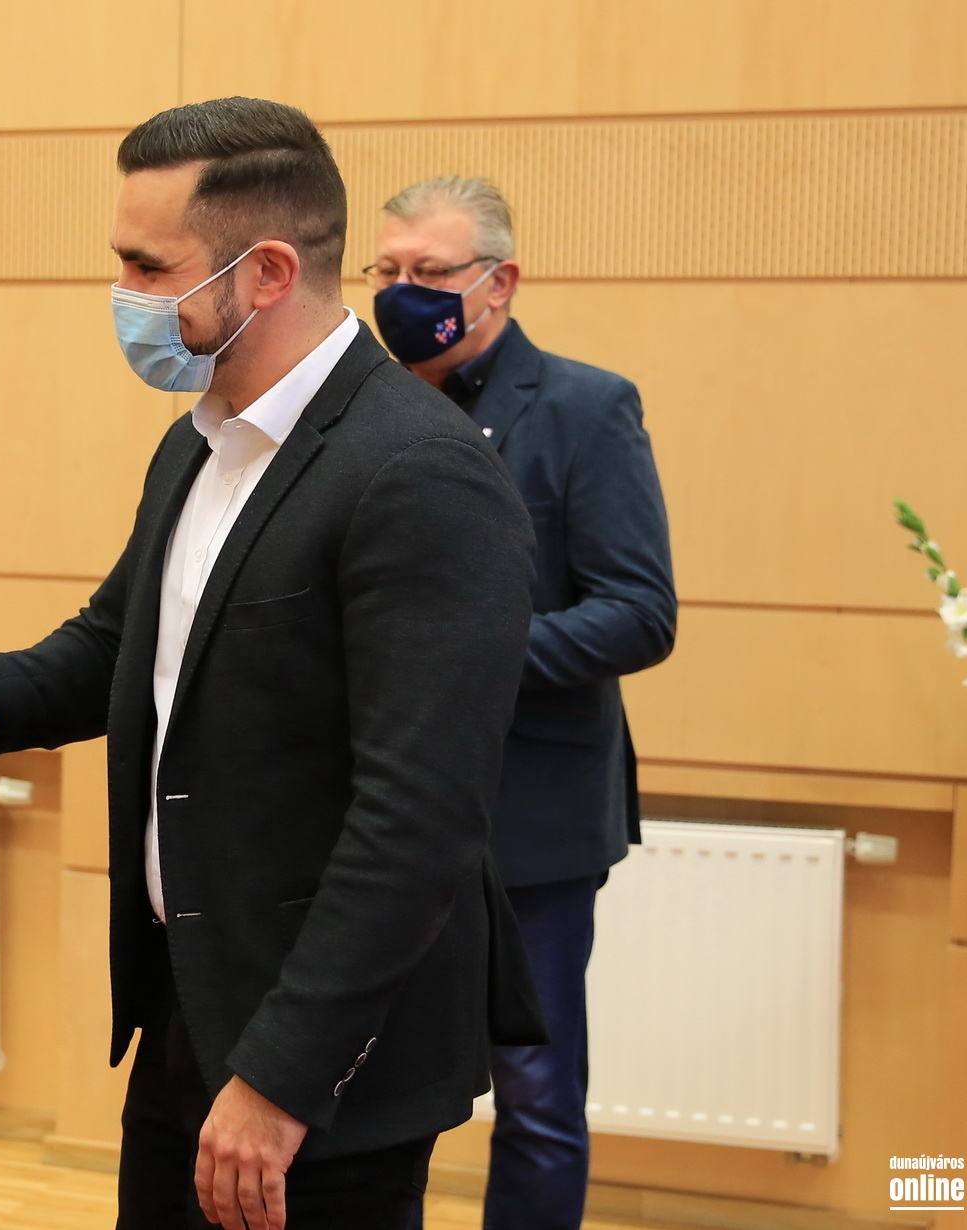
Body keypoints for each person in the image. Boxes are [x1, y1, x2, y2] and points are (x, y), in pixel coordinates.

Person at [0, 97, 547, 1230]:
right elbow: (120, 644)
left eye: (148, 267)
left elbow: (419, 816)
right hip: (189, 1009)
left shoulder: (419, 473)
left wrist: (284, 1077)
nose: (123, 295)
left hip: (318, 1061)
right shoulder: (199, 441)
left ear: (265, 273)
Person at [369, 176, 675, 1230]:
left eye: (430, 272)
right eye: (386, 270)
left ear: (499, 282)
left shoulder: (587, 408)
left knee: (537, 1096)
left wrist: (469, 658)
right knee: (358, 1078)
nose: (402, 291)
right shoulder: (360, 406)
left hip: (533, 817)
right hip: (382, 806)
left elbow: (639, 613)